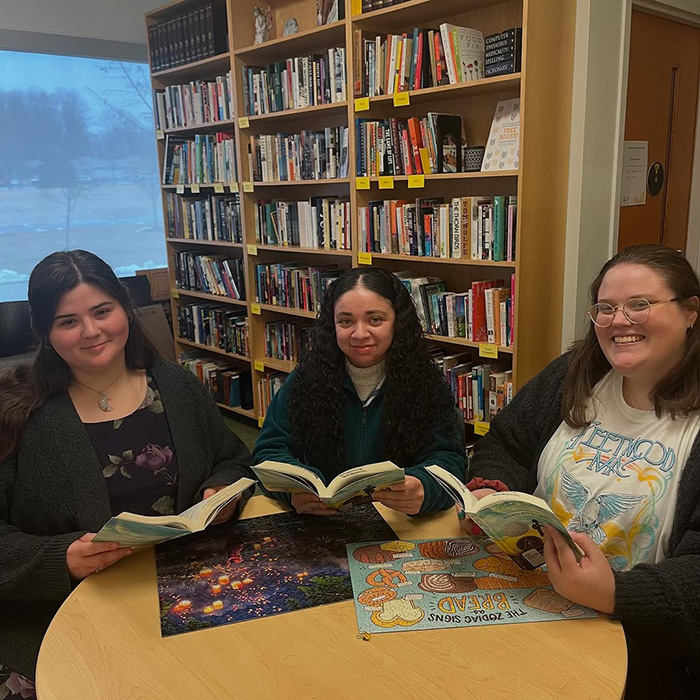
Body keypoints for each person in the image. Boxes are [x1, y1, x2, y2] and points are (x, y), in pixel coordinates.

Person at [0, 250, 253, 696]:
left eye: (102, 311)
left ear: (125, 310)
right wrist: (59, 560)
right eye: (68, 321)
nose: (92, 331)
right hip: (70, 616)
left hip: (193, 596)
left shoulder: (175, 386)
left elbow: (231, 456)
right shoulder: (17, 413)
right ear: (44, 331)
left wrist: (220, 488)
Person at [461, 245, 700, 696]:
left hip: (639, 646)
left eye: (640, 304)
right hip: (528, 602)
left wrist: (617, 595)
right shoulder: (575, 373)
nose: (619, 320)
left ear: (690, 313)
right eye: (605, 308)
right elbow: (506, 444)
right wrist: (496, 493)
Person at [252, 267, 466, 516]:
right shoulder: (305, 378)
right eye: (346, 321)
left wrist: (424, 487)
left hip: (399, 522)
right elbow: (268, 452)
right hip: (323, 522)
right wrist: (293, 492)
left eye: (375, 319)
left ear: (398, 322)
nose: (360, 334)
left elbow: (450, 460)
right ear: (332, 325)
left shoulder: (423, 381)